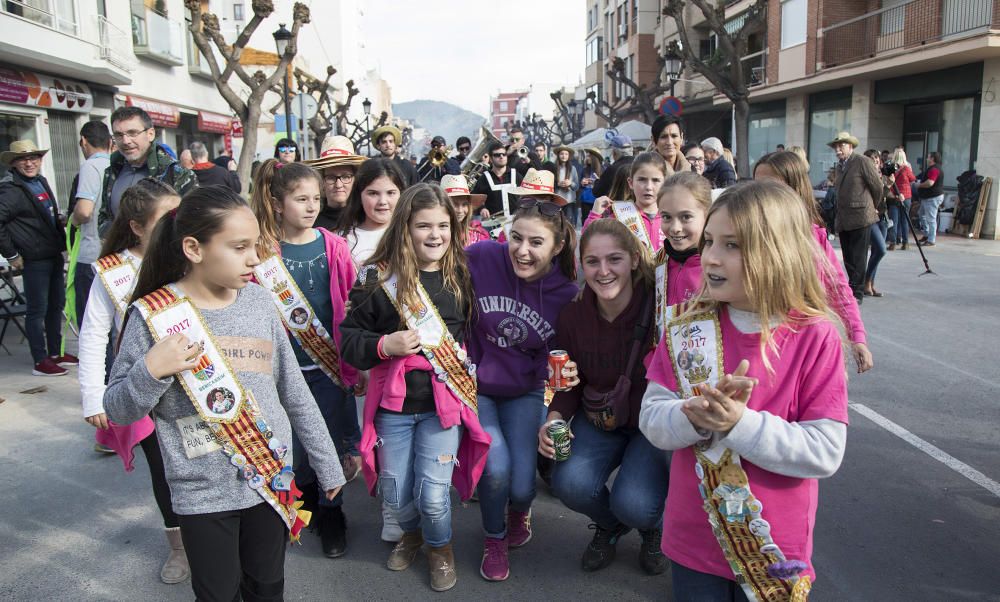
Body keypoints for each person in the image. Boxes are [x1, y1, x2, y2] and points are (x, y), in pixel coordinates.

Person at [103, 187, 345, 601]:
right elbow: (119, 410)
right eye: (239, 247)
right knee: (218, 593)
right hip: (201, 490)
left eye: (255, 246)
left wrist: (327, 463)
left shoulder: (259, 303)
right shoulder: (155, 315)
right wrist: (151, 371)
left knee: (268, 587)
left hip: (271, 476)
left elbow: (294, 390)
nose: (254, 258)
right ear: (194, 248)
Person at [640, 180, 849, 601]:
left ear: (776, 253)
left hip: (772, 545)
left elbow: (826, 449)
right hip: (694, 537)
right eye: (711, 241)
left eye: (732, 245)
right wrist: (692, 414)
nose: (711, 256)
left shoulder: (815, 336)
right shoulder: (684, 325)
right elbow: (652, 417)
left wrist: (741, 424)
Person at [339, 183, 490, 592]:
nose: (435, 234)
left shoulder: (462, 274)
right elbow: (349, 338)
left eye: (443, 224)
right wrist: (383, 345)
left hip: (443, 405)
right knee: (394, 488)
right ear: (405, 227)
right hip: (395, 407)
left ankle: (440, 548)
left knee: (434, 494)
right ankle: (411, 534)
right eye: (424, 226)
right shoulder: (378, 279)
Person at [540, 219, 668, 576]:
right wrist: (553, 419)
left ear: (632, 261)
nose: (603, 270)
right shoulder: (573, 315)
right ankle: (610, 526)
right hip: (600, 418)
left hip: (649, 427)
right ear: (581, 264)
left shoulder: (657, 307)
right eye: (592, 261)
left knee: (637, 505)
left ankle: (649, 527)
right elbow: (568, 382)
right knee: (570, 484)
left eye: (614, 259)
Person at [466, 185, 578, 582]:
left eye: (536, 242)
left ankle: (518, 511)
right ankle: (493, 537)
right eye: (516, 238)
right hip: (476, 384)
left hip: (525, 391)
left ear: (559, 245)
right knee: (495, 469)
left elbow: (568, 355)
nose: (522, 250)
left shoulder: (567, 292)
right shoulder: (480, 257)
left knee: (522, 486)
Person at [250, 159, 362, 559]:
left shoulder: (332, 244)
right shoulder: (262, 252)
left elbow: (352, 303)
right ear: (278, 204)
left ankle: (333, 515)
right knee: (289, 447)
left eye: (315, 198)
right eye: (301, 199)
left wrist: (356, 363)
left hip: (327, 366)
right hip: (280, 370)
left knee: (328, 442)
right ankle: (300, 503)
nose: (312, 206)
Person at [77, 178, 185, 584]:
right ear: (137, 227)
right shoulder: (112, 273)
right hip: (146, 392)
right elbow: (92, 335)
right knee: (164, 470)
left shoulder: (191, 253)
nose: (177, 225)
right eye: (165, 219)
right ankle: (179, 547)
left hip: (201, 385)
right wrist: (93, 398)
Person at [753, 150, 874, 373]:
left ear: (794, 189)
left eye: (772, 186)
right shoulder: (743, 238)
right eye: (757, 186)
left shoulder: (813, 237)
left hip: (807, 349)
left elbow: (839, 290)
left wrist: (857, 336)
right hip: (760, 351)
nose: (762, 195)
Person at [0, 139, 76, 376]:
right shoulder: (11, 189)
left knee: (56, 306)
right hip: (33, 259)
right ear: (13, 163)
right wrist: (12, 254)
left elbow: (42, 213)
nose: (29, 162)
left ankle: (55, 352)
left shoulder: (39, 181)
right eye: (23, 158)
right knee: (37, 310)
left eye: (34, 157)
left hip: (52, 254)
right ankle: (40, 360)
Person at [98, 106, 197, 232]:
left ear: (150, 134)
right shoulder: (112, 172)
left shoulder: (178, 175)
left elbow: (193, 224)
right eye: (119, 135)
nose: (126, 141)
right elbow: (105, 216)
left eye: (132, 133)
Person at [654, 172, 712, 328]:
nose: (675, 228)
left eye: (686, 217)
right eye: (666, 217)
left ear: (707, 215)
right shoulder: (658, 261)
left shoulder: (717, 268)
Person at [70, 121, 113, 328]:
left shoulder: (90, 166)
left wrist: (73, 220)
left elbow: (84, 211)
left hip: (92, 256)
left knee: (91, 323)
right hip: (114, 256)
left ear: (84, 141)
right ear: (110, 142)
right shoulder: (118, 165)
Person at [829, 131, 881, 302]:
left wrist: (872, 206)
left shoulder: (862, 162)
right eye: (836, 146)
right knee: (848, 256)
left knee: (858, 257)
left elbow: (877, 187)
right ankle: (852, 288)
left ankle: (857, 292)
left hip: (861, 216)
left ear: (850, 146)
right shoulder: (839, 166)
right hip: (844, 217)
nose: (838, 149)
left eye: (841, 145)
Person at [585, 152, 669, 251]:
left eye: (655, 180)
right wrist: (594, 215)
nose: (648, 187)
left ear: (665, 183)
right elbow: (589, 243)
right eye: (642, 180)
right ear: (631, 183)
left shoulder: (671, 217)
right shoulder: (619, 215)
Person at [336, 158, 405, 269]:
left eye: (390, 193)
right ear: (359, 195)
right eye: (373, 193)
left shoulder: (410, 233)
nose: (382, 201)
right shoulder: (342, 241)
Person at [304, 135, 367, 231]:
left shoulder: (366, 219)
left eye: (346, 177)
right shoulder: (310, 224)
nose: (338, 185)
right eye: (331, 178)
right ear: (322, 182)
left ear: (355, 180)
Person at [862, 149, 890, 298]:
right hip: (871, 217)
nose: (876, 161)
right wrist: (887, 187)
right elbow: (876, 196)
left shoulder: (882, 175)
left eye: (877, 158)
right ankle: (866, 281)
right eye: (872, 158)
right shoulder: (866, 177)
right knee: (881, 249)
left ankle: (871, 283)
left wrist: (895, 194)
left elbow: (885, 198)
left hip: (883, 217)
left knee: (876, 253)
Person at [472, 140, 519, 219]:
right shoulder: (484, 178)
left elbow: (527, 196)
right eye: (497, 155)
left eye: (504, 154)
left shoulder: (516, 175)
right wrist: (482, 209)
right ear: (490, 158)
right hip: (493, 224)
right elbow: (474, 198)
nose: (501, 157)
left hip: (515, 223)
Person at [440, 174, 489, 246]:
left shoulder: (478, 235)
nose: (460, 210)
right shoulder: (434, 235)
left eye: (464, 204)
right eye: (454, 204)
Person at [887, 148, 916, 250]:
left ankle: (893, 243)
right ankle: (905, 243)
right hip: (906, 197)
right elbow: (913, 179)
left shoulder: (891, 168)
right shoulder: (906, 169)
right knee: (905, 220)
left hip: (894, 195)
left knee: (893, 220)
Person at [592, 134, 634, 198]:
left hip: (618, 206)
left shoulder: (612, 169)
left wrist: (596, 182)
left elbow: (597, 192)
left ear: (614, 152)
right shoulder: (641, 165)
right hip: (640, 206)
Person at [916, 152, 944, 246]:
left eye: (928, 157)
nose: (927, 159)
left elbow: (930, 183)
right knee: (921, 215)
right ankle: (927, 234)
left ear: (932, 159)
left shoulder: (935, 169)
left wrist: (919, 185)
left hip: (932, 197)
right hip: (928, 197)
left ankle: (931, 240)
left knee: (931, 219)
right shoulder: (933, 168)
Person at [553, 145, 580, 226]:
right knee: (557, 224)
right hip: (556, 201)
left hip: (569, 201)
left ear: (569, 156)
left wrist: (570, 183)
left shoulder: (573, 168)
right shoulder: (554, 167)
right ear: (558, 155)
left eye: (566, 154)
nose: (564, 156)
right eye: (562, 154)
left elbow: (576, 187)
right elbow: (550, 184)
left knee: (568, 225)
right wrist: (557, 184)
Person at [578, 147, 604, 217]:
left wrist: (597, 181)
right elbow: (580, 185)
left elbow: (606, 186)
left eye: (589, 156)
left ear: (595, 157)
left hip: (598, 200)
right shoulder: (585, 169)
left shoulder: (603, 170)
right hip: (585, 199)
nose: (587, 158)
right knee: (585, 221)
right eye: (587, 156)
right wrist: (582, 183)